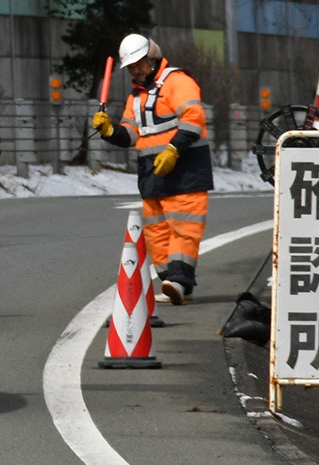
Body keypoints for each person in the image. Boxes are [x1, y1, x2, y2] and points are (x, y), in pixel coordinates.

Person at [92, 33, 214, 305]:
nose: (136, 70)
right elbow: (131, 134)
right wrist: (109, 131)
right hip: (152, 175)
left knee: (184, 229)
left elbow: (194, 119)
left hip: (185, 172)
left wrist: (174, 149)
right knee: (156, 234)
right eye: (132, 66)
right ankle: (173, 283)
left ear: (152, 58)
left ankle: (180, 281)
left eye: (139, 63)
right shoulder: (136, 97)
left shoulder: (178, 82)